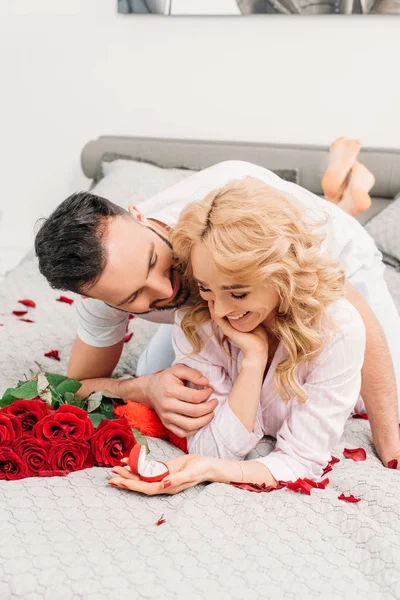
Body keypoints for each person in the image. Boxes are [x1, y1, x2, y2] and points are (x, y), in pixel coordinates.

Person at [34, 142, 400, 469]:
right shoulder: (103, 295)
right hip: (220, 303)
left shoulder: (228, 198)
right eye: (135, 299)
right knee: (158, 374)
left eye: (152, 262)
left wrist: (390, 444)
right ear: (98, 299)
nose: (165, 289)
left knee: (368, 385)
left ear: (139, 216)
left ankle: (340, 206)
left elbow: (357, 321)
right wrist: (142, 387)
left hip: (323, 267)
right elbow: (77, 385)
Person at [108, 177, 369, 494]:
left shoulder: (337, 330)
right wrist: (253, 362)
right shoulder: (199, 319)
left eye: (239, 293)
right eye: (206, 288)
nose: (219, 311)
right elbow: (212, 449)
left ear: (281, 275)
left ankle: (345, 206)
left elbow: (302, 462)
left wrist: (211, 469)